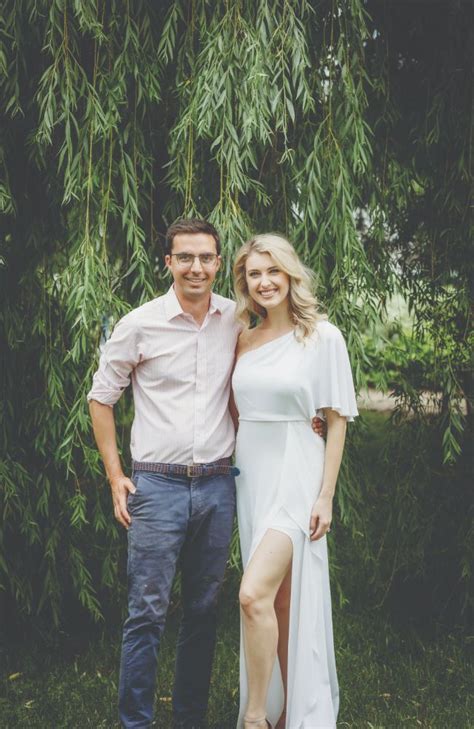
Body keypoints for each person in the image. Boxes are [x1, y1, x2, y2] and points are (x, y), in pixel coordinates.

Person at [87, 218, 325, 729]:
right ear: (168, 263)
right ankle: (136, 721)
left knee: (202, 610)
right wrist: (115, 475)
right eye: (185, 258)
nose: (195, 267)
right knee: (147, 612)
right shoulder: (139, 324)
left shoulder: (235, 322)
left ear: (218, 263)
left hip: (218, 485)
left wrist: (306, 421)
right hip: (157, 485)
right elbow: (100, 398)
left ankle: (189, 719)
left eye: (205, 258)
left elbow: (260, 385)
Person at [231, 234, 358, 729]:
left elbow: (337, 418)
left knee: (251, 594)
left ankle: (255, 717)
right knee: (277, 600)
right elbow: (236, 409)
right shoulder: (243, 339)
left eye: (273, 272)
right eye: (254, 274)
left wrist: (326, 495)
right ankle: (284, 711)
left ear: (290, 275)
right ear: (244, 282)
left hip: (297, 474)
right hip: (252, 476)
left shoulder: (322, 337)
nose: (264, 282)